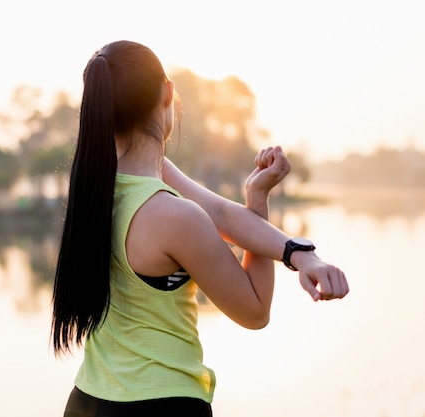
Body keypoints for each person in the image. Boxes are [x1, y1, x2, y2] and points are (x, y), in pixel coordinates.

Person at [51, 40, 349, 417]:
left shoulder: (96, 185)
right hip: (158, 406)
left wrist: (300, 252)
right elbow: (255, 311)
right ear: (167, 93)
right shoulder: (176, 217)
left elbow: (223, 214)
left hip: (87, 400)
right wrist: (262, 208)